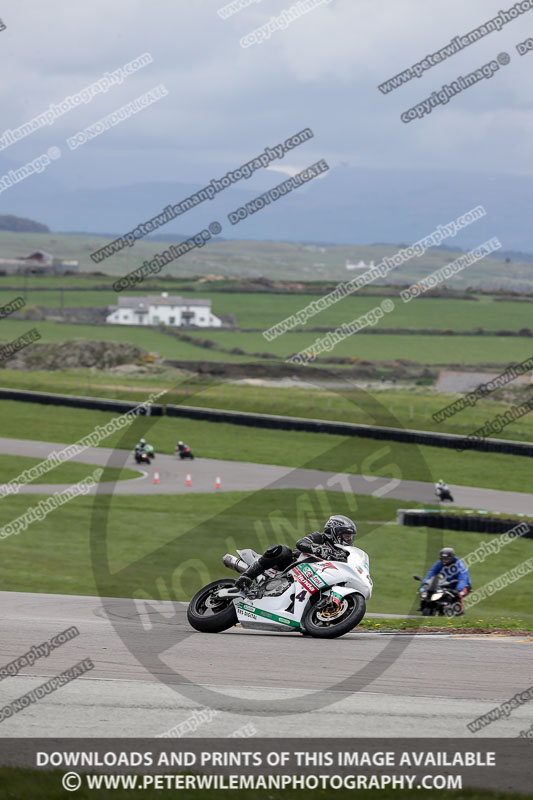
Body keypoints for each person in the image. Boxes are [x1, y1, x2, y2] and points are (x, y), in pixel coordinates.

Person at [235, 514, 357, 591]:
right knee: (283, 550)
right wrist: (318, 549)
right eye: (346, 536)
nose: (349, 540)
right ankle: (246, 576)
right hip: (291, 566)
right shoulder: (319, 537)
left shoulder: (341, 553)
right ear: (335, 532)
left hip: (314, 578)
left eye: (350, 537)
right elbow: (301, 543)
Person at [420, 547, 471, 614]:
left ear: (452, 558)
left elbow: (463, 579)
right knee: (433, 592)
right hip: (448, 584)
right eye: (443, 559)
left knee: (458, 595)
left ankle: (459, 612)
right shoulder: (439, 563)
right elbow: (432, 572)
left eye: (447, 559)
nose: (444, 560)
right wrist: (425, 583)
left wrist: (458, 589)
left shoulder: (460, 565)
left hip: (463, 586)